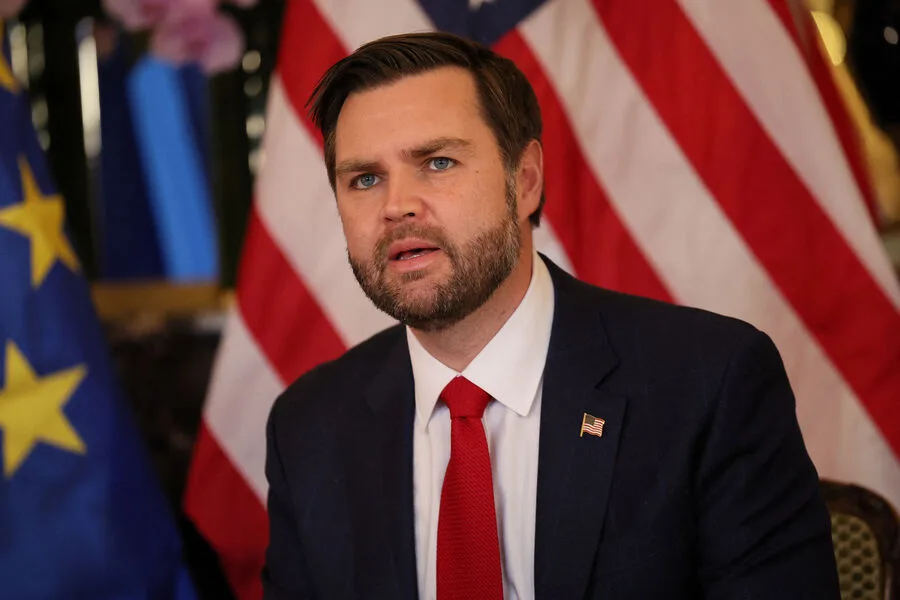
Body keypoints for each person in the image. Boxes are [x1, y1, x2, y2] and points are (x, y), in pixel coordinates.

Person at [261, 31, 840, 600]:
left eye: (438, 162)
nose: (396, 206)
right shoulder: (308, 427)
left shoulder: (708, 383)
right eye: (365, 179)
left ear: (526, 181)